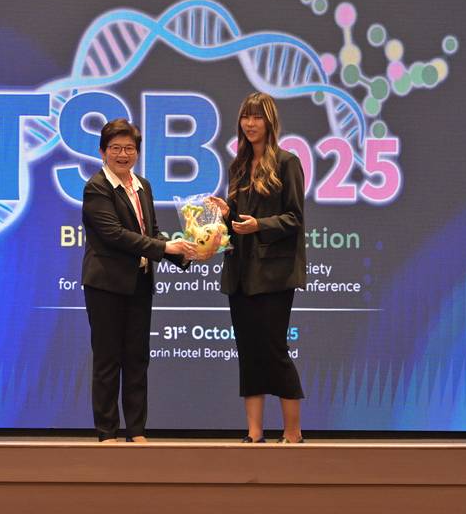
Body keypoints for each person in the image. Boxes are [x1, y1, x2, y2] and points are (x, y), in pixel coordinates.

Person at [81, 118, 197, 443]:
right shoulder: (96, 187)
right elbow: (115, 235)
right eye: (116, 148)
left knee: (137, 359)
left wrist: (185, 252)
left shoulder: (142, 185)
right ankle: (107, 432)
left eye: (129, 148)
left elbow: (151, 233)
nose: (123, 154)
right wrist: (166, 248)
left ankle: (136, 430)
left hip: (139, 283)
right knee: (108, 360)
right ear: (103, 151)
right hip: (106, 285)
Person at [209, 92, 307, 444]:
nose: (250, 124)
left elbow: (294, 218)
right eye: (246, 117)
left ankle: (293, 432)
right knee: (248, 352)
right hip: (240, 272)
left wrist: (259, 226)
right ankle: (254, 432)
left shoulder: (287, 162)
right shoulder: (238, 164)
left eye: (257, 117)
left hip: (274, 274)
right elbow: (238, 221)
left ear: (270, 122)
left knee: (274, 350)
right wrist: (227, 213)